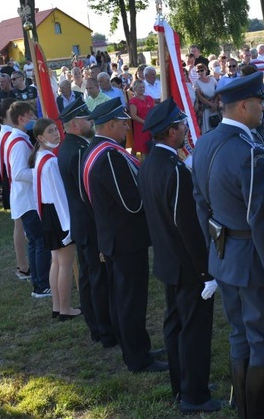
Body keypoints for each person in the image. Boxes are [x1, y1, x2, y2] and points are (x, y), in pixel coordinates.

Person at [191, 72, 264, 418]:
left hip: (224, 257)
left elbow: (200, 203)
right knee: (262, 341)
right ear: (244, 106)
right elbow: (262, 222)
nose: (263, 108)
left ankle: (246, 411)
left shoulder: (204, 142)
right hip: (252, 263)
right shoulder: (251, 153)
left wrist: (213, 250)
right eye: (260, 103)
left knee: (240, 335)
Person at [139, 99, 222, 414]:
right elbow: (188, 227)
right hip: (187, 266)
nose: (186, 129)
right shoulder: (174, 170)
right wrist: (206, 272)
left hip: (167, 260)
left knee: (175, 326)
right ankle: (195, 395)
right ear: (170, 132)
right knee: (193, 330)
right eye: (182, 126)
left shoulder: (150, 163)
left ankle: (183, 383)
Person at [82, 98, 166, 373]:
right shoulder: (109, 155)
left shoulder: (95, 150)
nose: (127, 128)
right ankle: (138, 356)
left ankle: (134, 348)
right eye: (122, 124)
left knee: (123, 298)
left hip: (115, 235)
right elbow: (132, 203)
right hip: (127, 238)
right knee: (130, 300)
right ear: (109, 125)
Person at [57, 98, 115, 344]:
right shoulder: (80, 150)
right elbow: (87, 193)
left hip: (81, 224)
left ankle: (96, 326)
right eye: (86, 118)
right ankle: (104, 329)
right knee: (97, 279)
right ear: (74, 124)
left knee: (89, 277)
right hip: (90, 225)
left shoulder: (69, 147)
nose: (91, 121)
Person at [29, 118, 81, 321]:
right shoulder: (50, 161)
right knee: (65, 263)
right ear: (41, 138)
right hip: (58, 215)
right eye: (51, 132)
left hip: (49, 214)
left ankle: (58, 306)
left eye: (56, 130)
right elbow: (60, 196)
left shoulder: (41, 157)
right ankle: (65, 308)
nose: (56, 134)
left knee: (56, 261)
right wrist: (69, 227)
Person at [6, 101, 52, 298]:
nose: (34, 119)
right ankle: (41, 285)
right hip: (27, 201)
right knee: (40, 242)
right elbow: (18, 173)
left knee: (35, 242)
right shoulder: (17, 142)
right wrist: (40, 171)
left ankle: (38, 282)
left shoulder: (19, 138)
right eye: (30, 116)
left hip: (26, 200)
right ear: (21, 118)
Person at [0, 98, 29, 280]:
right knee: (21, 226)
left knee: (20, 226)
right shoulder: (10, 134)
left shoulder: (7, 132)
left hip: (12, 183)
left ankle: (23, 265)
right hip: (15, 185)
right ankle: (22, 266)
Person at [128, 80, 155, 158]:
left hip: (151, 126)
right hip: (141, 127)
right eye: (140, 87)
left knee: (151, 147)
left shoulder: (149, 98)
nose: (142, 89)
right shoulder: (133, 100)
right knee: (143, 149)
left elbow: (153, 111)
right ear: (135, 88)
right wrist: (145, 122)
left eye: (143, 87)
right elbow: (133, 115)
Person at [193, 63, 220, 135]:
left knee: (217, 127)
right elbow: (200, 97)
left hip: (215, 108)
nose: (200, 73)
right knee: (207, 129)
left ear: (205, 70)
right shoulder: (196, 83)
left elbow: (218, 91)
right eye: (198, 71)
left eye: (201, 70)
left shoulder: (212, 79)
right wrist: (211, 104)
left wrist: (215, 104)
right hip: (205, 109)